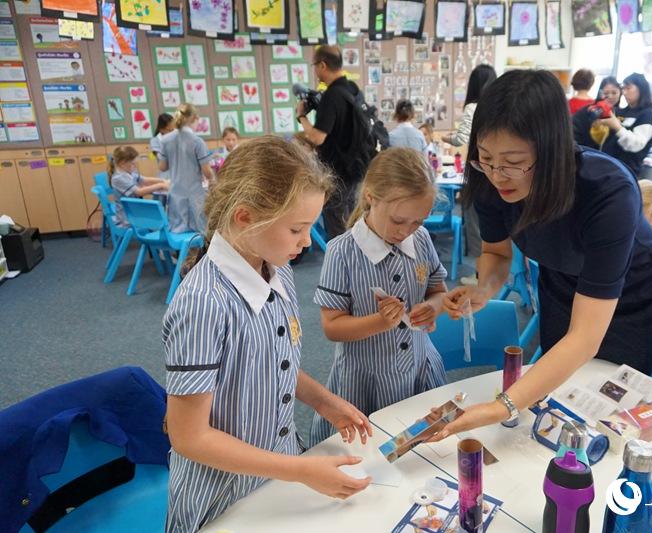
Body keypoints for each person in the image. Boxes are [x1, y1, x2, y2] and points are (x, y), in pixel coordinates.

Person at [429, 70, 652, 441]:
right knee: (559, 400)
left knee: (612, 407)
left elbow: (586, 337)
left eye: (513, 161)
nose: (498, 175)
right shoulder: (491, 180)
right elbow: (496, 252)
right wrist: (485, 288)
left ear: (552, 150)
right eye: (486, 158)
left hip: (632, 293)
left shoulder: (608, 191)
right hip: (560, 278)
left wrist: (503, 406)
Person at [163, 136, 373, 532]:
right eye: (297, 228)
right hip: (221, 497)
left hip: (275, 476)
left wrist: (324, 401)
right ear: (245, 217)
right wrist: (299, 469)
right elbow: (188, 436)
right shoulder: (204, 304)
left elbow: (271, 363)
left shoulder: (278, 268)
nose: (307, 241)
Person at [308, 147, 448, 446]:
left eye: (417, 222)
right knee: (371, 454)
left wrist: (433, 308)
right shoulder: (342, 252)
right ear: (371, 197)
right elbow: (332, 326)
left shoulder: (420, 239)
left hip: (419, 370)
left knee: (424, 448)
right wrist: (379, 322)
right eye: (399, 220)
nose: (406, 231)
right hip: (364, 381)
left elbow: (438, 290)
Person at [296, 45, 371, 239]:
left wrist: (301, 116)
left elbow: (316, 137)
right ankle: (359, 262)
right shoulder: (353, 89)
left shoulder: (332, 96)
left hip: (337, 173)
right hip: (357, 169)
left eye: (314, 65)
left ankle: (342, 265)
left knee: (337, 226)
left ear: (322, 65)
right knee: (355, 220)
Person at [442, 64, 497, 265]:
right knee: (495, 221)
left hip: (478, 169)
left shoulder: (473, 107)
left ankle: (478, 274)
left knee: (474, 217)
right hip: (499, 170)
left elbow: (461, 139)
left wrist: (447, 139)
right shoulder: (500, 107)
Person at [158, 103, 215, 233]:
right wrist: (213, 180)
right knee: (199, 231)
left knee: (178, 230)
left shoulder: (165, 139)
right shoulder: (197, 141)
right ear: (195, 118)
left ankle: (181, 253)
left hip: (175, 194)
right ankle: (197, 253)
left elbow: (162, 167)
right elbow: (206, 171)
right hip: (194, 194)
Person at [597, 73, 652, 176]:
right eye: (623, 89)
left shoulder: (647, 115)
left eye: (628, 88)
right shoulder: (622, 111)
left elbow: (636, 144)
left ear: (641, 88)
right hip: (607, 167)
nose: (624, 93)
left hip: (626, 172)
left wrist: (617, 127)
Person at [109, 146, 169, 226]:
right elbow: (139, 192)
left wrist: (163, 181)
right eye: (132, 163)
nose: (135, 165)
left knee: (159, 211)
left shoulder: (127, 172)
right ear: (122, 163)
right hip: (127, 217)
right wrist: (161, 185)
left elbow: (144, 180)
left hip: (133, 210)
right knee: (159, 214)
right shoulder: (119, 178)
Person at [572, 76, 622, 149]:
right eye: (606, 93)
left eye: (614, 93)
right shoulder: (590, 110)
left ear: (620, 93)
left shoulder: (621, 113)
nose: (610, 96)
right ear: (600, 93)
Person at [150, 113, 175, 179]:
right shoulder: (155, 140)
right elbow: (160, 157)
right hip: (165, 173)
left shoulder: (175, 135)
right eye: (172, 122)